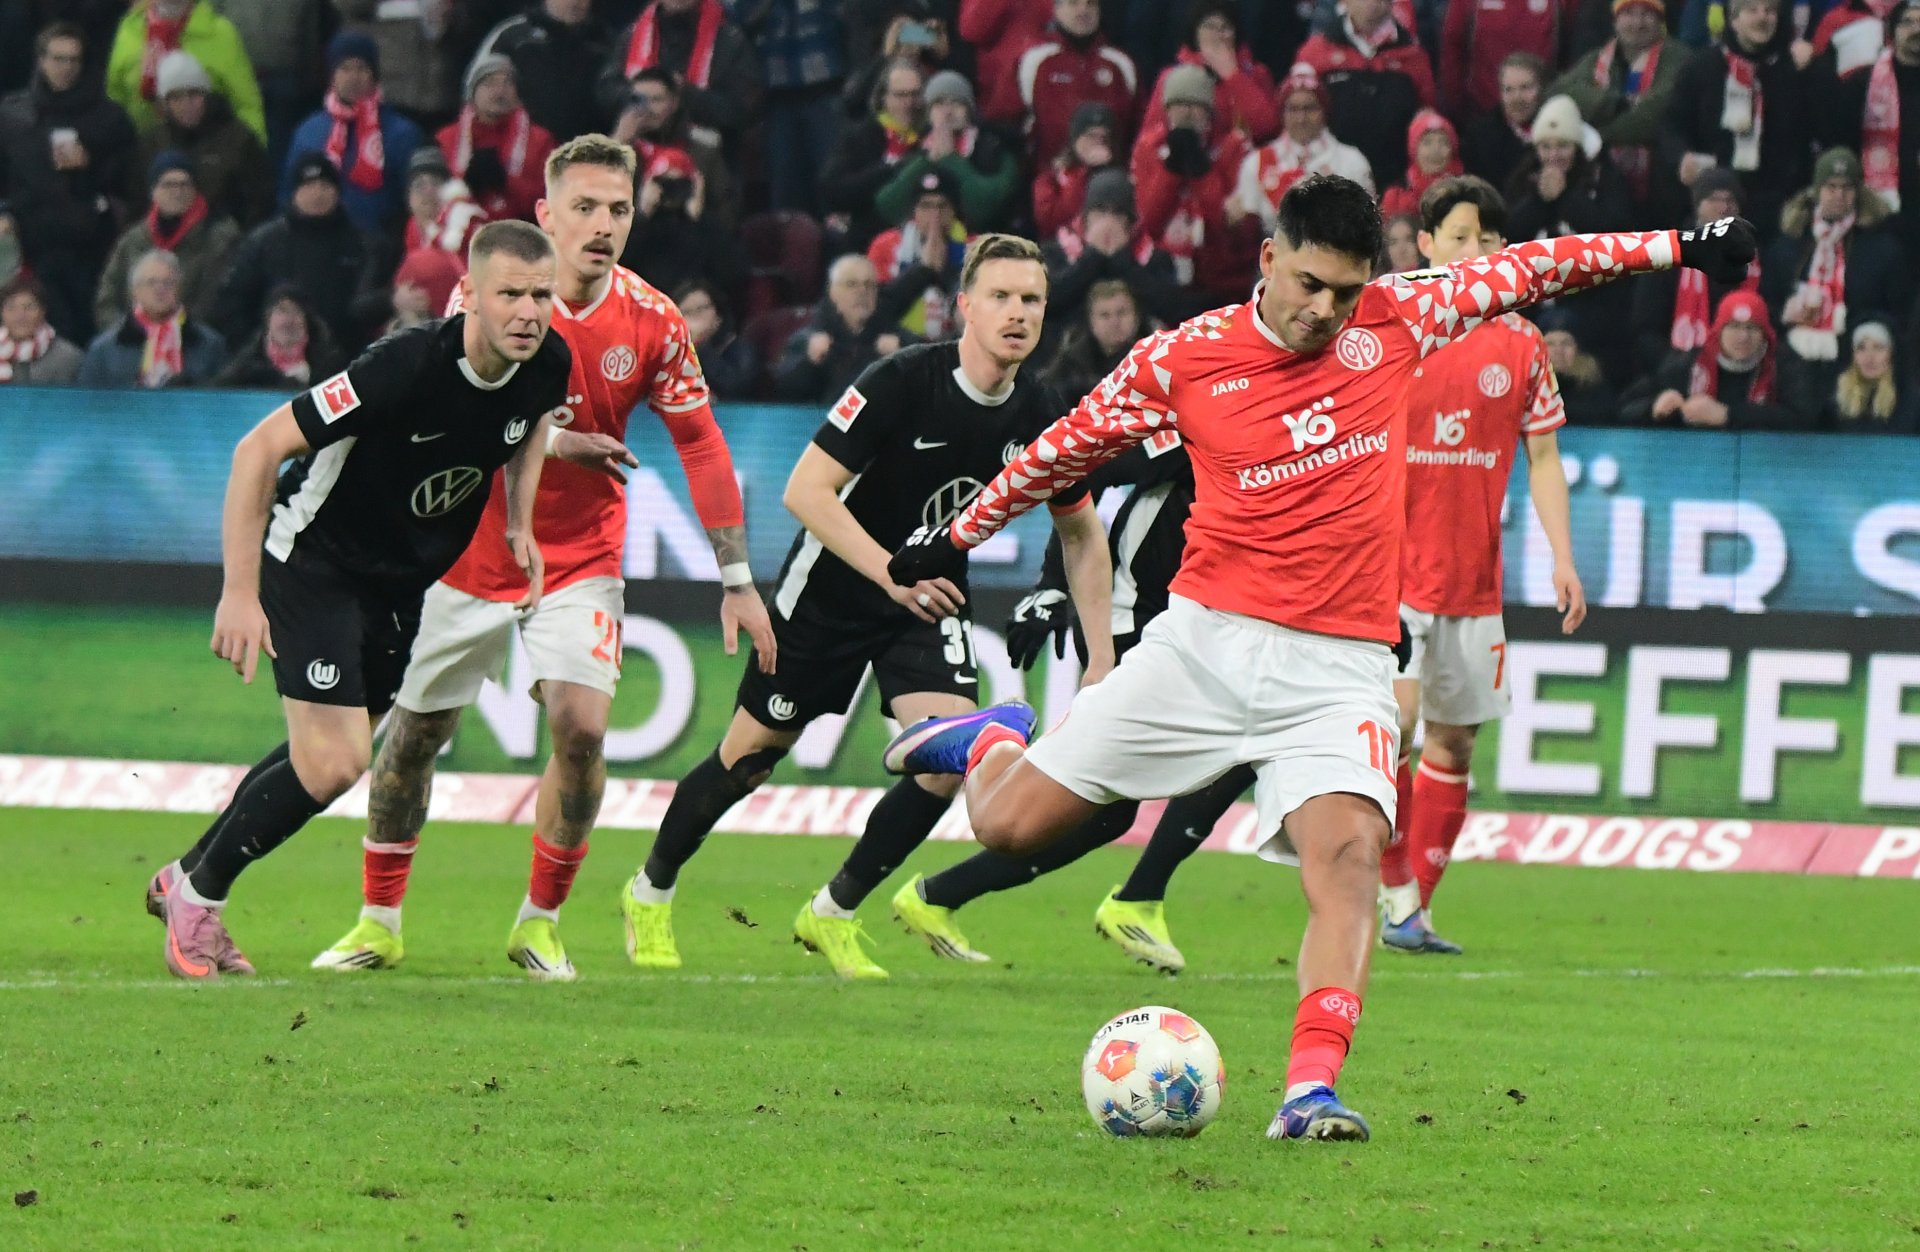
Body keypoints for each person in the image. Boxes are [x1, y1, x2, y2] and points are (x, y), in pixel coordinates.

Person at [880, 174, 1756, 1141]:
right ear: (1268, 259)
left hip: (1339, 669)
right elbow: (1063, 448)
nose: (1325, 312)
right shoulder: (1184, 357)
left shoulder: (1401, 317)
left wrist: (1683, 243)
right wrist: (957, 533)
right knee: (1008, 828)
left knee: (1345, 860)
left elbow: (1535, 267)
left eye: (1345, 292)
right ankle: (987, 740)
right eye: (1308, 285)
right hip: (1201, 645)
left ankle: (1309, 1091)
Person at [307, 136, 777, 980]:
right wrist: (560, 441)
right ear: (545, 214)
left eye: (619, 210)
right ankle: (378, 920)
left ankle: (540, 923)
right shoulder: (484, 298)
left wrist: (737, 579)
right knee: (416, 734)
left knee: (582, 726)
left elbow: (702, 446)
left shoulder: (655, 321)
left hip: (581, 553)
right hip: (466, 542)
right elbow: (462, 415)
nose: (602, 226)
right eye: (586, 208)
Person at [618, 234, 1118, 981]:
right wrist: (889, 573)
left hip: (928, 596)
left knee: (947, 765)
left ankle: (832, 912)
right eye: (1003, 297)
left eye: (1033, 300)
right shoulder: (902, 381)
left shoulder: (1045, 414)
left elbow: (1082, 533)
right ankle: (650, 888)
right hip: (834, 589)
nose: (1018, 313)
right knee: (750, 759)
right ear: (966, 308)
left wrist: (1101, 661)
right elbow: (805, 491)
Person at [144, 219, 573, 980]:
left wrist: (519, 518)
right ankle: (199, 901)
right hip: (313, 559)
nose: (529, 312)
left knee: (326, 755)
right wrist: (238, 594)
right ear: (466, 294)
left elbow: (530, 424)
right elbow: (259, 448)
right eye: (510, 293)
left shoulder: (548, 362)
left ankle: (186, 875)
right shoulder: (403, 365)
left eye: (542, 294)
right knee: (338, 760)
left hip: (400, 582)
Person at [891, 432, 1255, 974]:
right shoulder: (1211, 422)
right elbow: (1085, 473)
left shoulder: (1293, 438)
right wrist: (1053, 584)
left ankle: (940, 893)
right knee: (1231, 745)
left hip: (1193, 631)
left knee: (1109, 812)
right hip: (1131, 622)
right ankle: (989, 745)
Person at [1377, 176, 1585, 954]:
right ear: (1425, 244)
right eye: (1459, 236)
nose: (1476, 250)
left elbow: (1543, 457)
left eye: (1489, 238)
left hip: (1473, 583)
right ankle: (1386, 886)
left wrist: (1564, 559)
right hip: (1387, 577)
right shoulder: (1391, 325)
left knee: (1454, 747)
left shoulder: (1521, 341)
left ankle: (1410, 910)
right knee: (1392, 727)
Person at [0, 22, 139, 343]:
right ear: (40, 59)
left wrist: (89, 166)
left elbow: (128, 181)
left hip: (90, 248)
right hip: (30, 246)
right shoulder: (12, 115)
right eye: (58, 58)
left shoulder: (110, 119)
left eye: (73, 60)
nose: (65, 68)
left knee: (84, 334)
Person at [1663, 0, 1809, 241]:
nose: (1762, 18)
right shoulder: (1701, 67)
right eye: (1752, 10)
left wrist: (1815, 66)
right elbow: (1672, 124)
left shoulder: (1793, 67)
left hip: (1776, 204)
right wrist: (1681, 156)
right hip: (1715, 199)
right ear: (1733, 20)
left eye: (1770, 11)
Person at [1764, 146, 1910, 382]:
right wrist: (1783, 313)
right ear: (1817, 191)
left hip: (1858, 364)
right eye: (1831, 187)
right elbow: (1766, 301)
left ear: (1858, 192)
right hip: (1792, 361)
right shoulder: (1789, 243)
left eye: (1847, 188)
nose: (1839, 195)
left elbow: (1898, 311)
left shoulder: (1883, 248)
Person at [213, 153, 378, 354]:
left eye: (325, 186)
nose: (317, 194)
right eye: (308, 186)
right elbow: (232, 302)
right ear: (294, 193)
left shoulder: (362, 245)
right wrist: (256, 349)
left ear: (338, 193)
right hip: (271, 370)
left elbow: (368, 308)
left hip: (343, 363)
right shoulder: (264, 242)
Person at [1549, 0, 1692, 215]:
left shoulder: (1679, 59)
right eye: (1629, 14)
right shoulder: (1597, 59)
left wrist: (1594, 135)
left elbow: (1651, 117)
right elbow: (1559, 93)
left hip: (1662, 186)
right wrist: (1617, 103)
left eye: (1646, 14)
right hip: (1605, 186)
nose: (1637, 23)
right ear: (1615, 20)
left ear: (1660, 20)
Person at [1131, 62, 1252, 304]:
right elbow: (1150, 221)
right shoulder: (1148, 147)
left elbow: (1223, 222)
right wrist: (1173, 169)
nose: (1186, 113)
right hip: (1163, 267)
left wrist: (1201, 170)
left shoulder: (1233, 147)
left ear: (1208, 111)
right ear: (1167, 110)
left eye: (1194, 105)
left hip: (1217, 270)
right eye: (1178, 105)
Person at [282, 32, 424, 235]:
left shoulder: (402, 132)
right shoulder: (308, 131)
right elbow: (288, 194)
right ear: (332, 75)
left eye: (361, 68)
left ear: (374, 75)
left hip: (380, 244)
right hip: (317, 240)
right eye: (344, 69)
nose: (353, 77)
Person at [1292, 0, 1438, 193]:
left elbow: (1425, 118)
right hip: (1330, 181)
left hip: (1396, 183)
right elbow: (1296, 117)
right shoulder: (1315, 52)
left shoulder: (1414, 55)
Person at [1629, 168, 1759, 371]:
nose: (1724, 207)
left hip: (1742, 366)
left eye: (1731, 200)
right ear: (1698, 204)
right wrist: (1675, 366)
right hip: (1677, 368)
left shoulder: (1752, 260)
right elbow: (1646, 327)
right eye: (1714, 199)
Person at [95, 151, 241, 331]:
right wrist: (126, 333)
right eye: (168, 185)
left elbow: (214, 302)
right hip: (133, 341)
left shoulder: (219, 238)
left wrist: (176, 333)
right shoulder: (132, 240)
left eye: (184, 185)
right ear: (153, 191)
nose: (177, 192)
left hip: (191, 341)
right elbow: (107, 298)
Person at [1618, 288, 1808, 426]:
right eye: (1733, 327)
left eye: (1752, 328)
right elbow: (1624, 408)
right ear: (1717, 332)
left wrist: (1728, 416)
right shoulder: (1688, 364)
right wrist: (1653, 408)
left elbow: (1803, 417)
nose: (1743, 337)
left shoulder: (1782, 364)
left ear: (1766, 334)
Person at [602, 0, 766, 155]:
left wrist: (685, 94)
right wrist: (643, 97)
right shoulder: (632, 35)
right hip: (637, 161)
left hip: (709, 162)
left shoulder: (729, 40)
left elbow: (743, 110)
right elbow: (606, 88)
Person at [135, 50, 273, 228]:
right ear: (165, 104)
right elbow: (138, 203)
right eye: (176, 97)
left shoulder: (239, 139)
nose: (187, 104)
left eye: (194, 94)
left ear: (206, 95)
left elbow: (261, 199)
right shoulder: (151, 142)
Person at [1041, 168, 1182, 337]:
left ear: (1130, 223)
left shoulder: (1154, 258)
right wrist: (1091, 258)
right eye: (1100, 211)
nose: (1108, 222)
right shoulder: (1056, 252)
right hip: (1068, 353)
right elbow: (1047, 304)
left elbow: (1172, 308)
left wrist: (1123, 261)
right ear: (1085, 218)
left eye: (1117, 213)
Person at [874, 71, 1019, 234]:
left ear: (969, 109)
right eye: (939, 104)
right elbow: (888, 206)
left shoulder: (995, 148)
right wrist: (926, 161)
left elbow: (986, 208)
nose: (948, 112)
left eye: (956, 103)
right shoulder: (916, 149)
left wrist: (950, 160)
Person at [1232, 74, 1374, 237]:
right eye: (1293, 109)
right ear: (1283, 114)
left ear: (1324, 111)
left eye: (1309, 108)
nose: (1301, 118)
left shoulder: (1352, 161)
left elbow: (1367, 226)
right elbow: (1247, 232)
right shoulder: (1257, 162)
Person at [105, 0, 265, 143]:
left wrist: (250, 156)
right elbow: (115, 98)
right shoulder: (129, 29)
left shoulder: (221, 33)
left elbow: (247, 106)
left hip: (210, 153)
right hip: (143, 154)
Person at [471, 0, 614, 149]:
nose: (577, 2)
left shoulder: (606, 43)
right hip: (521, 156)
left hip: (585, 157)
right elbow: (476, 93)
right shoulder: (513, 37)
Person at [78, 248, 228, 387]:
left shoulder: (209, 345)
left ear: (180, 289)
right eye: (151, 283)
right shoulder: (104, 350)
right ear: (135, 292)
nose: (160, 289)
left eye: (168, 283)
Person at [773, 253, 912, 403]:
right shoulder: (808, 339)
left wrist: (902, 362)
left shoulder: (899, 339)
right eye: (851, 284)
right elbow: (784, 391)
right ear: (833, 293)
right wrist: (809, 363)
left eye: (869, 285)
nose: (862, 292)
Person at [1016, 0, 1139, 168]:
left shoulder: (1120, 64)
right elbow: (1013, 119)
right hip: (1051, 180)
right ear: (1057, 10)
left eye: (1091, 4)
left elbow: (1138, 124)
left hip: (1107, 181)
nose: (1083, 10)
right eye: (1073, 3)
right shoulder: (1035, 62)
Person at [821, 57, 927, 250]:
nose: (909, 104)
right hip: (868, 240)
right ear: (883, 98)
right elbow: (834, 189)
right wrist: (890, 170)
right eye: (900, 95)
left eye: (915, 95)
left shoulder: (929, 138)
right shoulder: (862, 136)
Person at [437, 54, 555, 225]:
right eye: (489, 83)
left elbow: (550, 199)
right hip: (459, 235)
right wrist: (465, 183)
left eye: (508, 83)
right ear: (473, 93)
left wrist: (506, 182)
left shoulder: (540, 140)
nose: (500, 91)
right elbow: (432, 198)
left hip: (520, 232)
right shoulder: (446, 139)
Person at [1142, 1, 1280, 146]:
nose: (1218, 35)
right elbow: (1149, 139)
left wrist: (1233, 76)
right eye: (1210, 26)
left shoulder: (1256, 73)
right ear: (1195, 33)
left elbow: (1267, 128)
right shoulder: (1172, 77)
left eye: (1225, 27)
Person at [868, 167, 969, 341]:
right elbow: (875, 312)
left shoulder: (974, 248)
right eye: (926, 206)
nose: (934, 217)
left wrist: (943, 271)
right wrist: (922, 271)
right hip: (899, 346)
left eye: (942, 206)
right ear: (914, 212)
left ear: (954, 211)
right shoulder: (885, 246)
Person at [1440, 0, 1578, 123]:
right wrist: (1458, 110)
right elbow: (1452, 46)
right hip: (1483, 115)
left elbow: (1574, 46)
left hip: (1545, 115)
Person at [211, 283, 345, 391]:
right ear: (268, 319)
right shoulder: (246, 366)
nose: (288, 320)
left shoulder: (329, 365)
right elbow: (215, 392)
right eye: (282, 311)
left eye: (296, 312)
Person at [1043, 277, 1144, 399]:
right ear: (1091, 321)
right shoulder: (1072, 360)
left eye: (1122, 313)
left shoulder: (1154, 358)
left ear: (1136, 317)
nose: (1114, 322)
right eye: (1105, 315)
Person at [1033, 101, 1123, 236]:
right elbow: (1052, 222)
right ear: (1075, 139)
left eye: (1104, 137)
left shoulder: (1120, 177)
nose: (1097, 143)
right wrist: (1082, 174)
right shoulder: (1050, 178)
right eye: (1091, 136)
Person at [1463, 52, 1547, 191]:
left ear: (1541, 88)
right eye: (1509, 90)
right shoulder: (1479, 139)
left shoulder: (1558, 133)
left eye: (1525, 87)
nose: (1517, 98)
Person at [1817, 319, 1914, 428]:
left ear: (1891, 354)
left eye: (1878, 347)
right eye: (1861, 348)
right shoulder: (1835, 401)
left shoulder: (1910, 402)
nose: (1869, 357)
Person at [675, 278, 760, 400]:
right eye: (687, 312)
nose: (695, 317)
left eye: (701, 309)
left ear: (718, 314)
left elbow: (737, 388)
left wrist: (700, 345)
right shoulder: (670, 351)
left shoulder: (741, 349)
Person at [1377, 108, 1462, 218]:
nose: (1436, 150)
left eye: (1443, 142)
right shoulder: (1396, 196)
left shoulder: (1467, 190)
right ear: (1414, 150)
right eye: (1427, 143)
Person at [0, 275, 86, 384]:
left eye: (29, 307)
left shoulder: (69, 358)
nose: (20, 316)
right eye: (11, 308)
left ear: (42, 312)